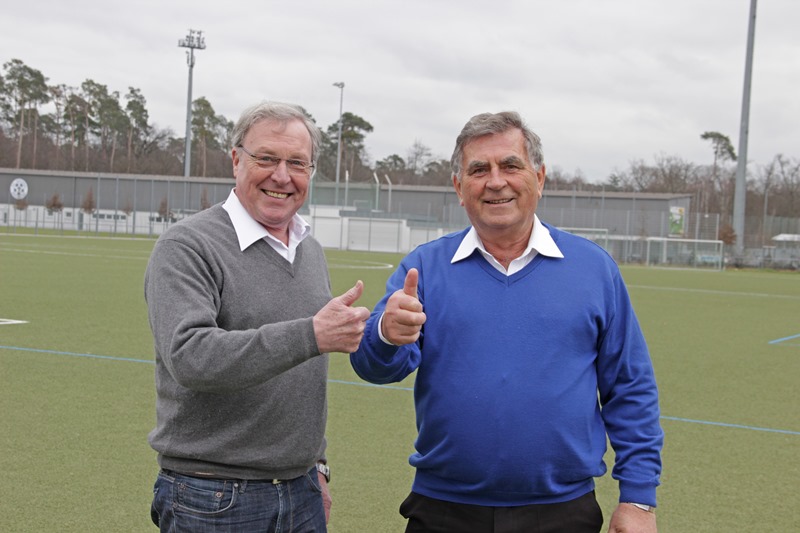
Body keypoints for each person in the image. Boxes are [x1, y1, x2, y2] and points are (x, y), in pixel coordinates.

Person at [350, 111, 664, 533]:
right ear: (460, 189)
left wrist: (639, 499)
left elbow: (630, 386)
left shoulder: (593, 269)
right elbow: (373, 366)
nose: (495, 181)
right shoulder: (423, 268)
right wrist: (387, 335)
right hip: (444, 510)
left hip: (563, 512)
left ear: (540, 176)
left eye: (510, 166)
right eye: (478, 169)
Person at [145, 101, 370, 532]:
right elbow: (190, 355)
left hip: (300, 490)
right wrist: (311, 334)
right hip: (212, 496)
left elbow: (305, 378)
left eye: (296, 163)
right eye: (266, 158)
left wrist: (318, 467)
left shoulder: (309, 250)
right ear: (236, 160)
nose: (281, 176)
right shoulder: (187, 246)